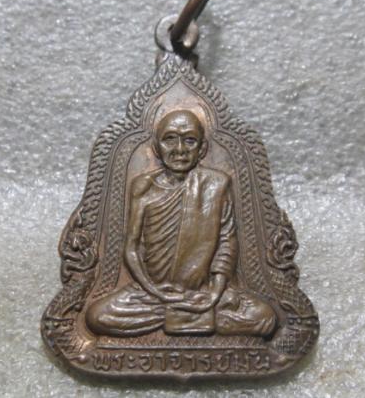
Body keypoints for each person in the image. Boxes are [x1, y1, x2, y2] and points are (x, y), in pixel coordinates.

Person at [85, 110, 276, 337]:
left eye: (189, 140)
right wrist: (156, 292)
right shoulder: (143, 186)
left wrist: (215, 292)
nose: (179, 150)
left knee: (265, 317)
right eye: (169, 139)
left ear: (202, 149)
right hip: (151, 293)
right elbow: (131, 248)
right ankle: (197, 318)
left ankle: (190, 315)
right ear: (156, 148)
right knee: (97, 316)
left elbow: (226, 241)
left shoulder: (216, 184)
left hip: (203, 291)